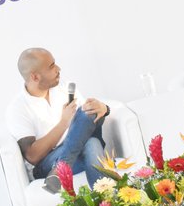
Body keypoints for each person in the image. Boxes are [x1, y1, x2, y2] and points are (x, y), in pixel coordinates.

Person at [7, 48, 111, 193]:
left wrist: (104, 108)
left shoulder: (65, 88)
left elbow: (88, 121)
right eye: (51, 66)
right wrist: (64, 123)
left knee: (91, 135)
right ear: (35, 77)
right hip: (47, 163)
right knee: (92, 143)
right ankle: (109, 202)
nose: (58, 69)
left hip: (76, 153)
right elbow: (33, 156)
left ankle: (61, 168)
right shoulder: (18, 108)